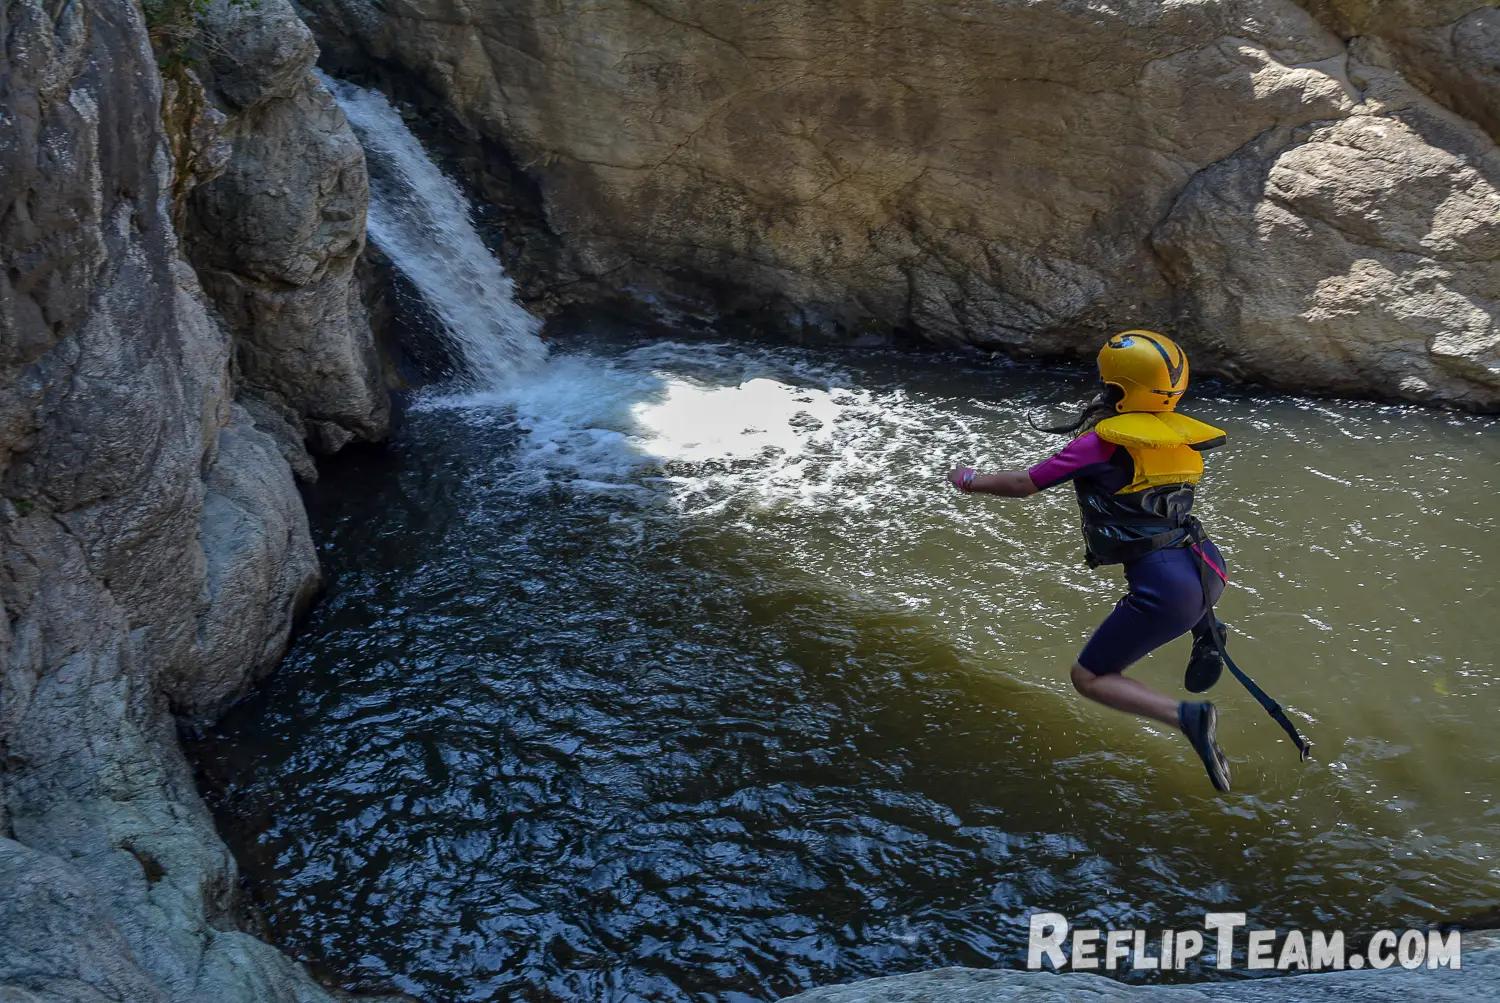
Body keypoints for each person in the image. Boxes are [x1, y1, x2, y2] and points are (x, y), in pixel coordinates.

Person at [949, 330, 1237, 791]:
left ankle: (1187, 717)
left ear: (1118, 388)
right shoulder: (1173, 437)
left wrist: (968, 480)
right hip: (1207, 565)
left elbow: (1025, 484)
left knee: (1089, 676)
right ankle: (1206, 629)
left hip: (1169, 588)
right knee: (1170, 569)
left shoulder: (1101, 443)